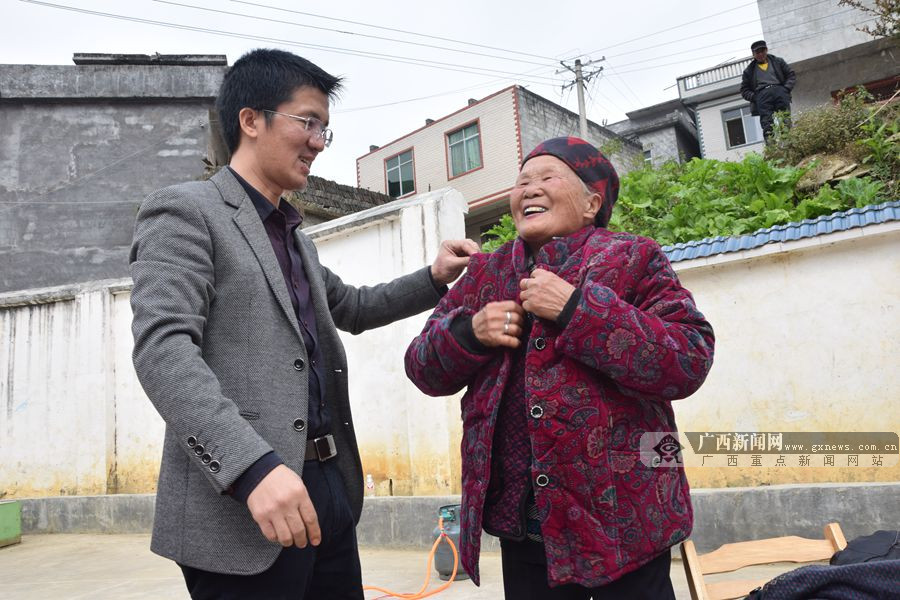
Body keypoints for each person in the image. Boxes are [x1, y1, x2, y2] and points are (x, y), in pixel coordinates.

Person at [129, 48, 477, 600]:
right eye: (307, 122)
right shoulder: (185, 211)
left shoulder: (294, 239)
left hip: (326, 489)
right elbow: (163, 350)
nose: (318, 141)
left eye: (325, 129)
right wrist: (251, 470)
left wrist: (436, 276)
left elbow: (357, 307)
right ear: (251, 120)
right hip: (245, 499)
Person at [405, 137, 715, 599]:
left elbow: (690, 358)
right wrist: (469, 333)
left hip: (628, 525)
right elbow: (421, 366)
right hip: (527, 530)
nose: (528, 189)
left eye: (547, 177)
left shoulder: (634, 257)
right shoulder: (486, 275)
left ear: (593, 202)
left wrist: (577, 310)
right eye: (522, 181)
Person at [741, 40, 796, 141]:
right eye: (757, 52)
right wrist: (756, 97)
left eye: (762, 51)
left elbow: (791, 75)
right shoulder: (749, 71)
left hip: (780, 92)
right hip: (762, 96)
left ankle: (790, 146)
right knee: (767, 125)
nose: (761, 54)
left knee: (785, 120)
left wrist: (786, 89)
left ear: (766, 50)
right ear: (753, 54)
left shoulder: (778, 62)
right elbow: (744, 90)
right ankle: (772, 150)